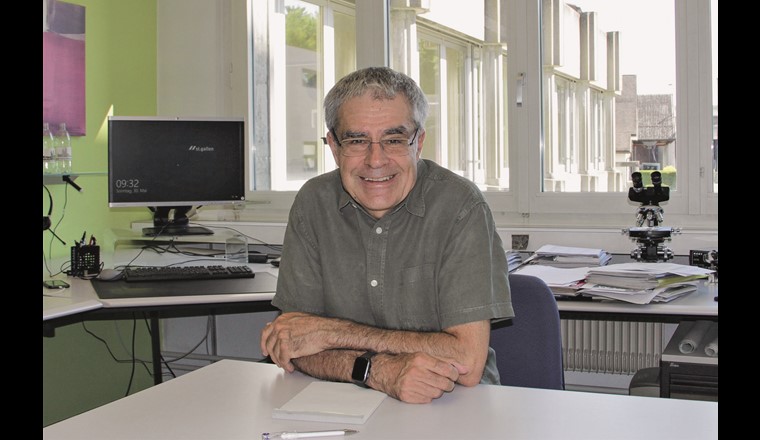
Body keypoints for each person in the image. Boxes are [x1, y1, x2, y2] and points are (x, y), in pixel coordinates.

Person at [260, 66, 513, 404]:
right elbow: (293, 343)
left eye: (394, 140)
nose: (375, 160)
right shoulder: (312, 202)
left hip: (451, 405)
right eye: (357, 140)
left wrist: (332, 333)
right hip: (339, 402)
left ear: (418, 142)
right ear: (333, 146)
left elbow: (466, 361)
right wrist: (376, 371)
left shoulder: (460, 206)